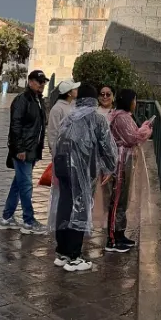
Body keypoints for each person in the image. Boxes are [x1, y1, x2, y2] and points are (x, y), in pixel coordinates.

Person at [50, 90, 117, 272]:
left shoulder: (69, 116)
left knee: (64, 205)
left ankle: (62, 252)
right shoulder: (96, 119)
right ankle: (74, 256)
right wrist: (110, 167)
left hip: (62, 167)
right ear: (93, 100)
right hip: (82, 170)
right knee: (79, 209)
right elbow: (107, 146)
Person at [102, 89, 154, 253]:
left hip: (124, 160)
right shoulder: (122, 117)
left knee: (122, 198)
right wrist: (146, 129)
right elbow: (132, 138)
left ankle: (120, 233)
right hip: (120, 161)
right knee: (117, 199)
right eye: (134, 100)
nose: (135, 103)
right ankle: (112, 239)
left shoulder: (121, 115)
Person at [0, 70, 49, 234]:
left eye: (43, 82)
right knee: (26, 185)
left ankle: (6, 218)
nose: (42, 85)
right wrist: (19, 149)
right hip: (23, 151)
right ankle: (29, 221)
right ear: (30, 81)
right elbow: (15, 126)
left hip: (32, 149)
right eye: (39, 81)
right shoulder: (22, 100)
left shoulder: (38, 100)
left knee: (18, 185)